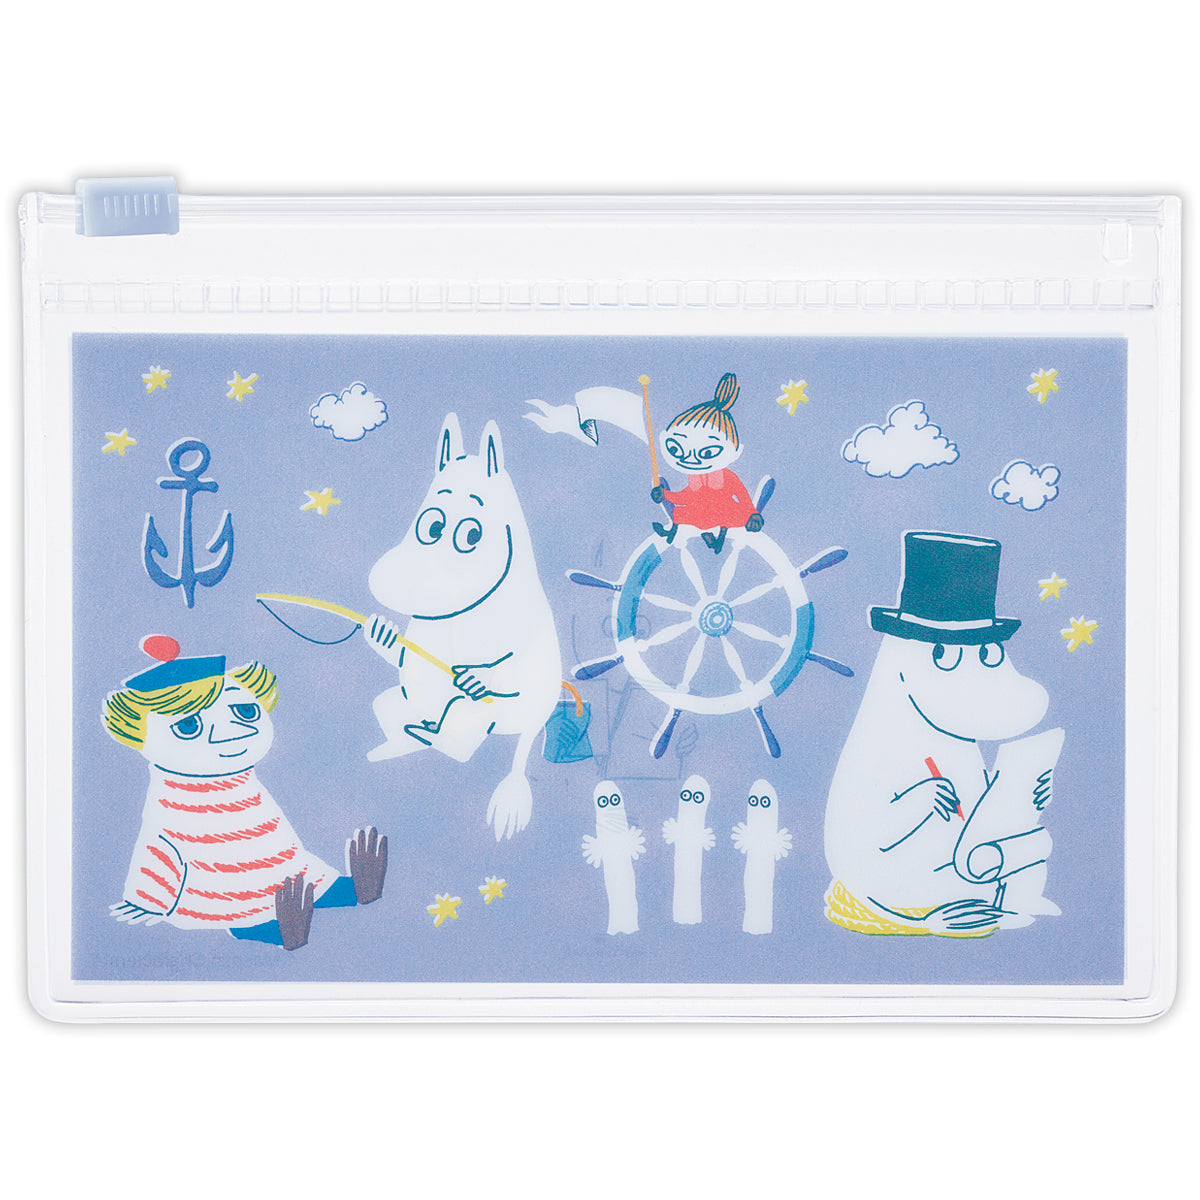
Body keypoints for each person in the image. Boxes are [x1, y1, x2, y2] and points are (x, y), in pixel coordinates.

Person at [103, 635, 387, 950]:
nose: (229, 730)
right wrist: (148, 901)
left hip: (278, 867)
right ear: (138, 734)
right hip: (214, 891)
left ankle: (349, 893)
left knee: (292, 871)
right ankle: (282, 928)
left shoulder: (245, 786)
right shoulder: (171, 805)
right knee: (242, 908)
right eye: (189, 726)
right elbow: (160, 849)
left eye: (245, 712)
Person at [650, 372, 763, 554]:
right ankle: (673, 532)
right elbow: (687, 496)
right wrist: (665, 495)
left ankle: (717, 538)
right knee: (680, 513)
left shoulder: (726, 476)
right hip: (701, 514)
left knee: (732, 515)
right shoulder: (696, 476)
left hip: (722, 512)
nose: (691, 459)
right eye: (677, 449)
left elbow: (741, 493)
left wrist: (752, 513)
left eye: (708, 452)